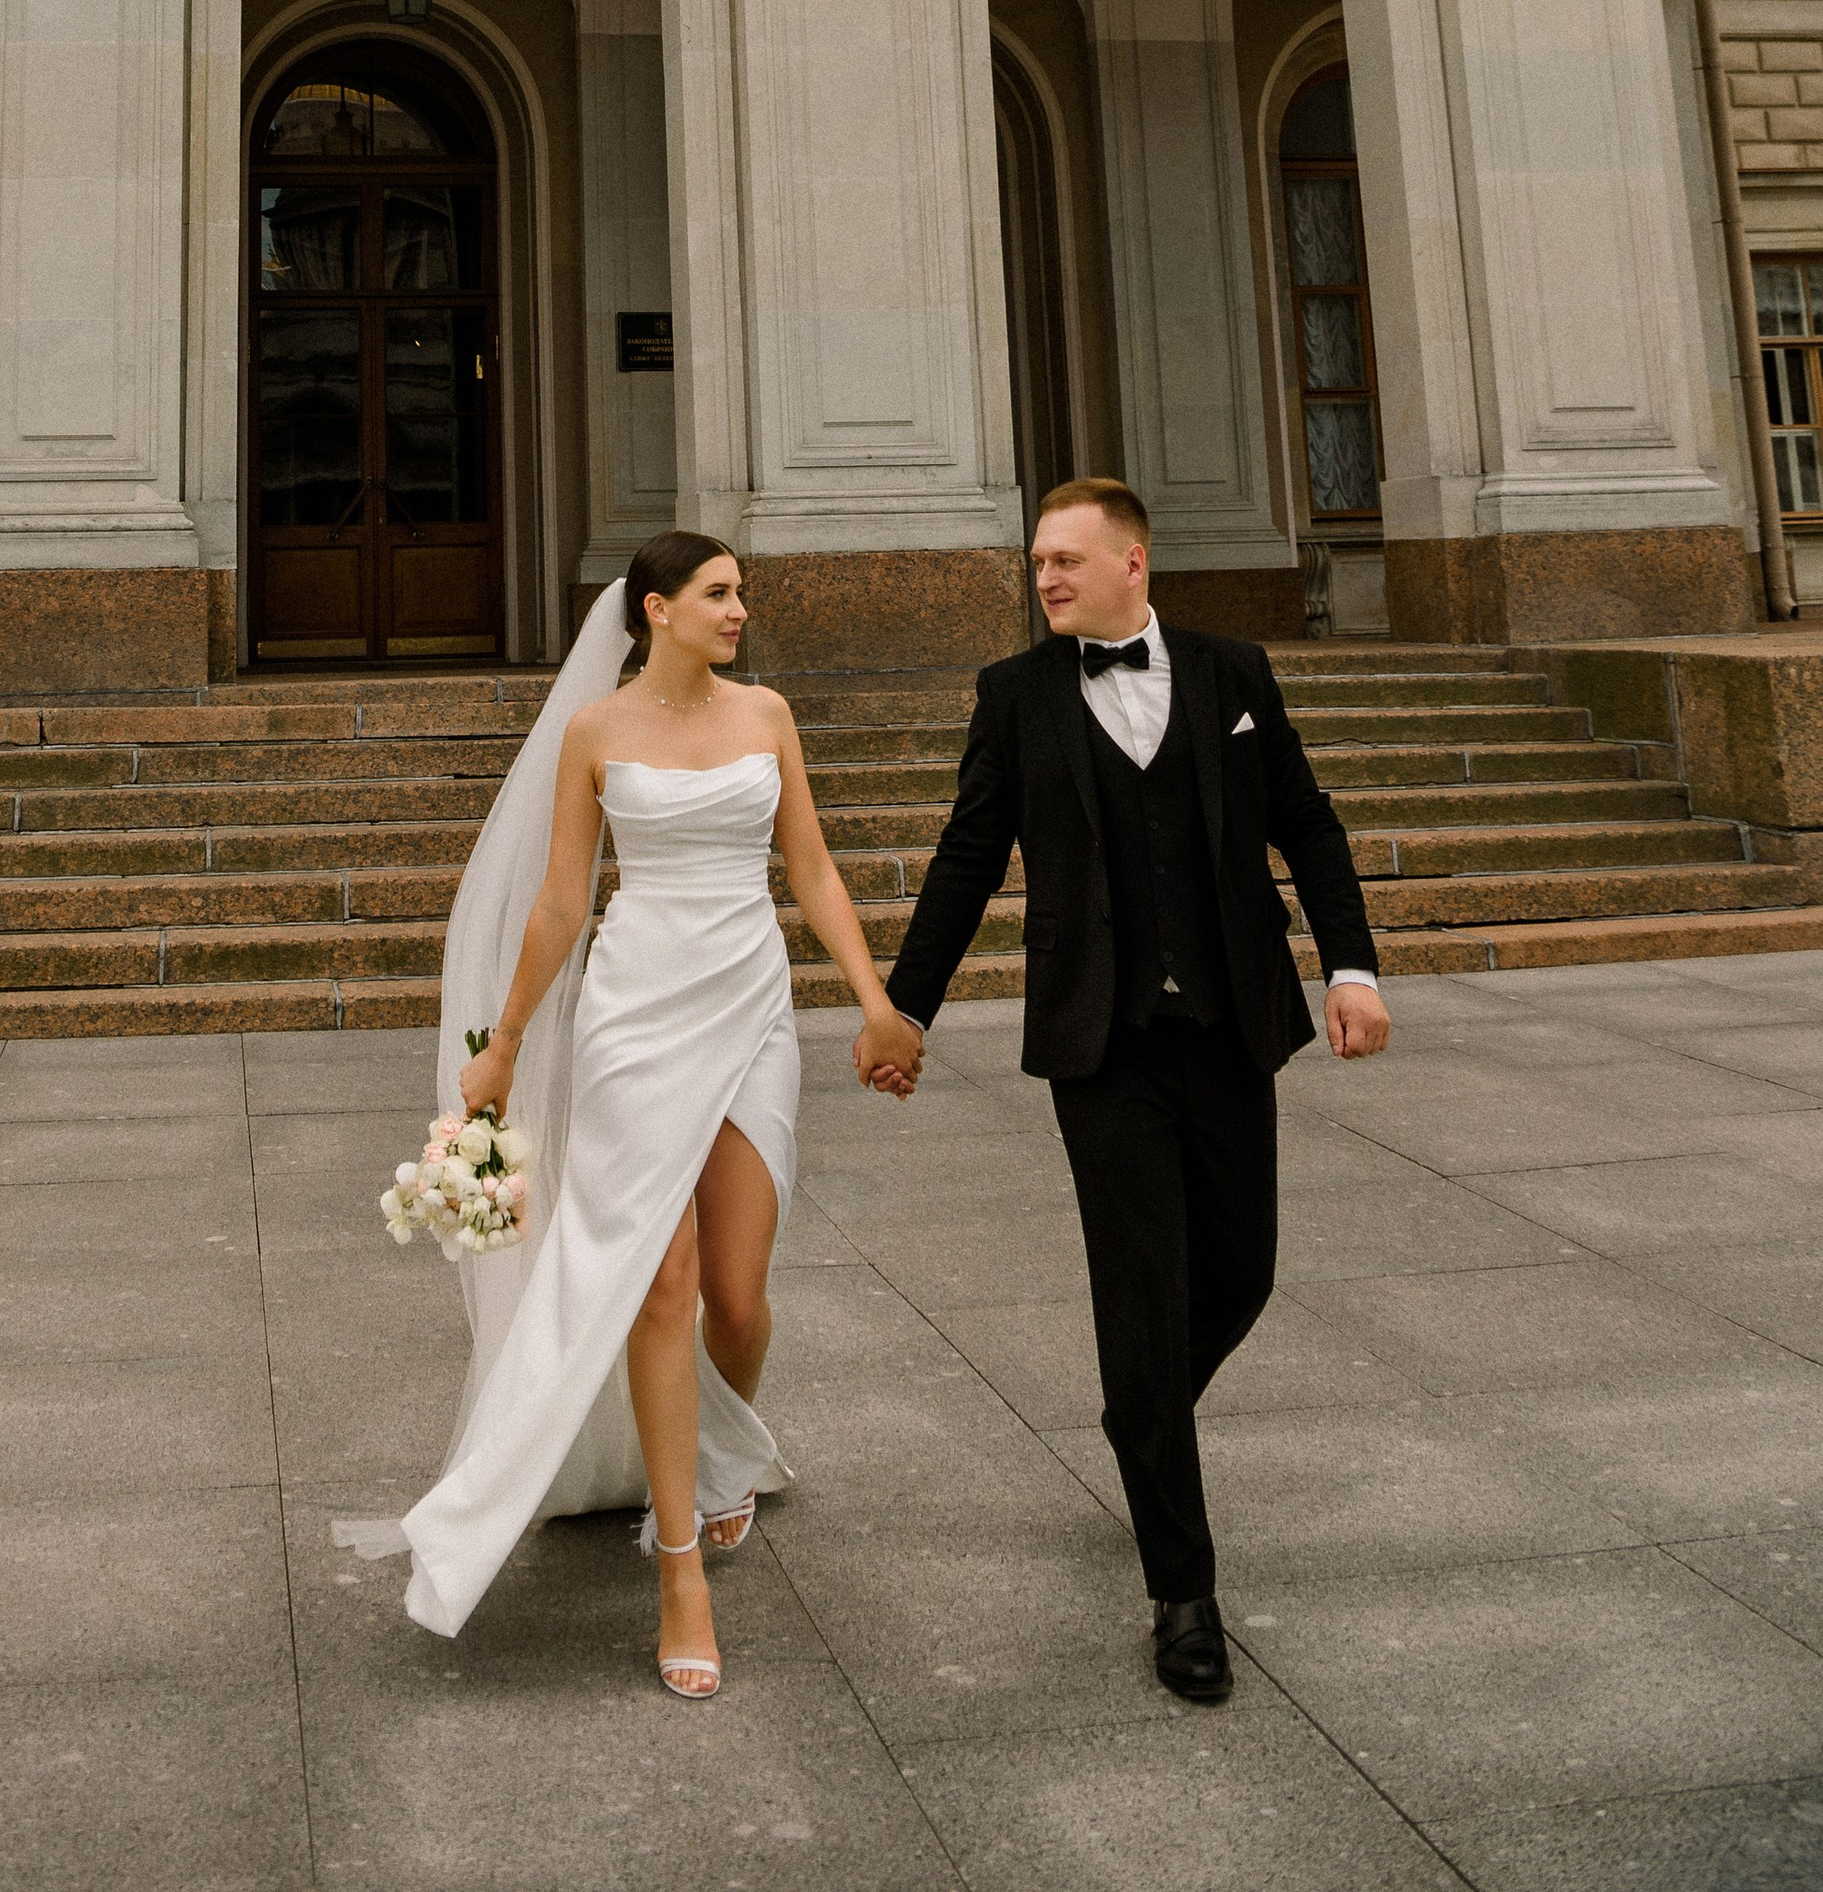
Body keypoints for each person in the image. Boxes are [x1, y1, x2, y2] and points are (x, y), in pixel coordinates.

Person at [348, 529, 921, 1697]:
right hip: (633, 1011)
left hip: (751, 1005)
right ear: (654, 609)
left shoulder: (767, 715)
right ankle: (677, 1570)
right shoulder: (596, 731)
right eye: (717, 593)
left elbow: (808, 865)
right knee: (657, 1281)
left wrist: (876, 1003)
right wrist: (503, 1041)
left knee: (741, 1295)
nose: (738, 609)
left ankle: (719, 1460)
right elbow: (564, 899)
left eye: (741, 592)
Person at [863, 475, 1391, 1705]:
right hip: (1100, 1044)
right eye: (1036, 561)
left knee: (1242, 1267)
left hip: (1225, 1025)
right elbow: (964, 855)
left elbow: (1303, 826)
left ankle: (1140, 1417)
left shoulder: (1232, 673)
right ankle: (1182, 1589)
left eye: (1064, 558)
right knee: (1140, 1289)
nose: (1044, 577)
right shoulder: (1015, 697)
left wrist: (1350, 969)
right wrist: (906, 1006)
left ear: (1132, 561)